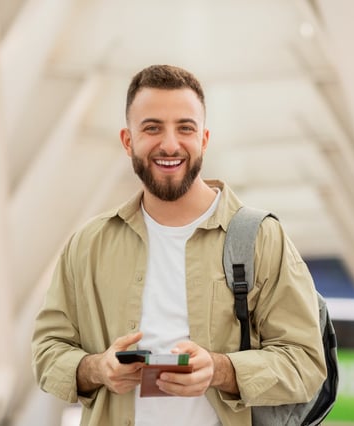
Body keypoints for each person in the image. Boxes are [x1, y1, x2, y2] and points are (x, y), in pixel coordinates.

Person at [31, 64, 327, 425]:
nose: (170, 144)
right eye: (152, 127)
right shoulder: (89, 244)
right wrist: (97, 369)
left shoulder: (262, 238)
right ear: (128, 141)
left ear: (203, 139)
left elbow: (307, 363)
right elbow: (47, 352)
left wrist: (222, 370)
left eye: (185, 128)